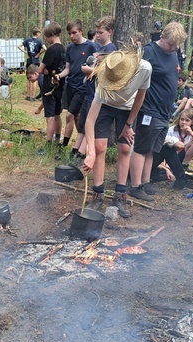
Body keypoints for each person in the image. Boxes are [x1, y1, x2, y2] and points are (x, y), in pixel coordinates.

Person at [128, 22, 193, 201]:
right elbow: (135, 79)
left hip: (165, 112)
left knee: (152, 150)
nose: (173, 48)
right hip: (149, 109)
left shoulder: (173, 54)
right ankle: (135, 186)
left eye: (177, 45)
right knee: (141, 148)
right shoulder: (149, 52)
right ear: (162, 37)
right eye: (170, 44)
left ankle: (145, 182)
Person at [83, 48, 151, 218]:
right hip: (105, 106)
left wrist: (129, 124)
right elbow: (90, 121)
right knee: (99, 147)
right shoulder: (105, 76)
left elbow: (141, 97)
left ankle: (120, 195)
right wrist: (90, 152)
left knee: (125, 149)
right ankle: (97, 193)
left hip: (128, 109)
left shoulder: (144, 68)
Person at [75, 15, 117, 162]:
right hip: (90, 91)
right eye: (97, 32)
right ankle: (78, 153)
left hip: (99, 96)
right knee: (85, 123)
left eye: (101, 33)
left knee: (92, 127)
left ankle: (82, 157)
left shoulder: (111, 50)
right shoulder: (98, 47)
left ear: (109, 32)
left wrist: (90, 71)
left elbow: (110, 73)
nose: (97, 35)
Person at [55, 20, 97, 151]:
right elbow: (67, 69)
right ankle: (84, 144)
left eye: (74, 33)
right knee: (77, 117)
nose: (72, 36)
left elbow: (96, 66)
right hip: (70, 85)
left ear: (81, 31)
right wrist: (59, 75)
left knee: (69, 115)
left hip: (83, 87)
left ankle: (64, 146)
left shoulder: (91, 46)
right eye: (69, 34)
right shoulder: (69, 48)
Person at [37, 23, 66, 147]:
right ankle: (57, 139)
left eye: (46, 37)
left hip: (49, 87)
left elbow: (40, 69)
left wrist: (42, 69)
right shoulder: (63, 49)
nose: (46, 40)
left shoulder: (51, 50)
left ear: (52, 35)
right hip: (60, 86)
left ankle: (48, 145)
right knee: (57, 114)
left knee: (50, 117)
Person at [164, 108, 193, 172]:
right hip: (170, 155)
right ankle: (168, 166)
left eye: (187, 120)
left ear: (192, 122)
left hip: (182, 155)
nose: (183, 122)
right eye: (182, 119)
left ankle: (184, 165)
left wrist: (191, 133)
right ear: (179, 119)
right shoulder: (171, 130)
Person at [18, 28, 45, 101]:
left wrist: (26, 52)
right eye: (39, 33)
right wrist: (39, 54)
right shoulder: (39, 41)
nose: (40, 34)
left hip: (29, 60)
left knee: (28, 78)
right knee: (35, 78)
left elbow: (19, 46)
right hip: (36, 61)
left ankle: (28, 95)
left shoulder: (27, 40)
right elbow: (45, 48)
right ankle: (33, 96)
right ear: (37, 33)